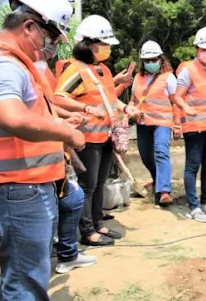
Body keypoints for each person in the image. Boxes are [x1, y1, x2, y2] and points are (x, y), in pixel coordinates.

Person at [0, 0, 85, 301]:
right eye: (50, 35)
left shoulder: (18, 64)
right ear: (30, 27)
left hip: (23, 189)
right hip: (15, 191)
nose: (52, 45)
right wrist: (65, 131)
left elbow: (31, 114)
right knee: (26, 284)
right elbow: (11, 116)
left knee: (19, 278)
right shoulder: (3, 64)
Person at [54, 15, 141, 247]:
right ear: (88, 44)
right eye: (103, 44)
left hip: (104, 137)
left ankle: (98, 223)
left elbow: (109, 101)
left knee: (99, 183)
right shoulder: (75, 69)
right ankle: (88, 231)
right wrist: (85, 108)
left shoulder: (102, 69)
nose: (106, 49)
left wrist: (126, 108)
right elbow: (59, 98)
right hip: (87, 138)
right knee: (88, 185)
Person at [35, 60, 97, 274]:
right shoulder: (16, 74)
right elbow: (31, 121)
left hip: (54, 155)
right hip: (34, 162)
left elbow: (49, 111)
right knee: (53, 208)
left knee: (73, 198)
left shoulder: (39, 76)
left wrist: (66, 121)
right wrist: (66, 130)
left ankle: (67, 253)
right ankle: (50, 256)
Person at [174, 27, 206, 223]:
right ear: (197, 49)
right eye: (205, 48)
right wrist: (186, 108)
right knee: (193, 166)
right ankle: (193, 206)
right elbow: (178, 97)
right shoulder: (188, 70)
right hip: (194, 128)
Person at [130, 40, 181, 206]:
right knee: (145, 156)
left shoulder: (168, 77)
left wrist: (177, 124)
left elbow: (176, 101)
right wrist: (129, 111)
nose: (151, 63)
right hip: (143, 122)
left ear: (160, 59)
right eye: (147, 60)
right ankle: (157, 179)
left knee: (161, 152)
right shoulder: (138, 78)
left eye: (154, 59)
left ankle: (165, 191)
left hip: (162, 122)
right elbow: (132, 100)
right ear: (142, 61)